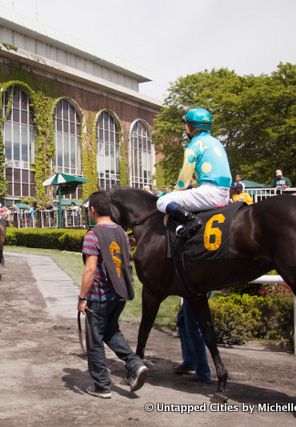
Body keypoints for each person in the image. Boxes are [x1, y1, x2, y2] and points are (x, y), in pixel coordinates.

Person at [79, 191, 148, 399]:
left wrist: (82, 298)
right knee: (111, 333)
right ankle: (136, 364)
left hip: (98, 298)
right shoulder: (122, 233)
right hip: (119, 295)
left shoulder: (93, 235)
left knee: (95, 340)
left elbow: (90, 270)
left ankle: (102, 386)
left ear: (92, 210)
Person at [156, 108, 232, 237]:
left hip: (211, 193)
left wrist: (173, 193)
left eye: (185, 125)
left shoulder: (194, 145)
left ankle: (190, 221)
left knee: (162, 202)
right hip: (225, 194)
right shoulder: (217, 142)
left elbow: (184, 179)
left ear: (190, 126)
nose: (185, 128)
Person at [174, 299, 212, 384]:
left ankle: (203, 373)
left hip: (194, 291)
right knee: (182, 320)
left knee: (193, 328)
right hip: (191, 291)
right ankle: (190, 362)